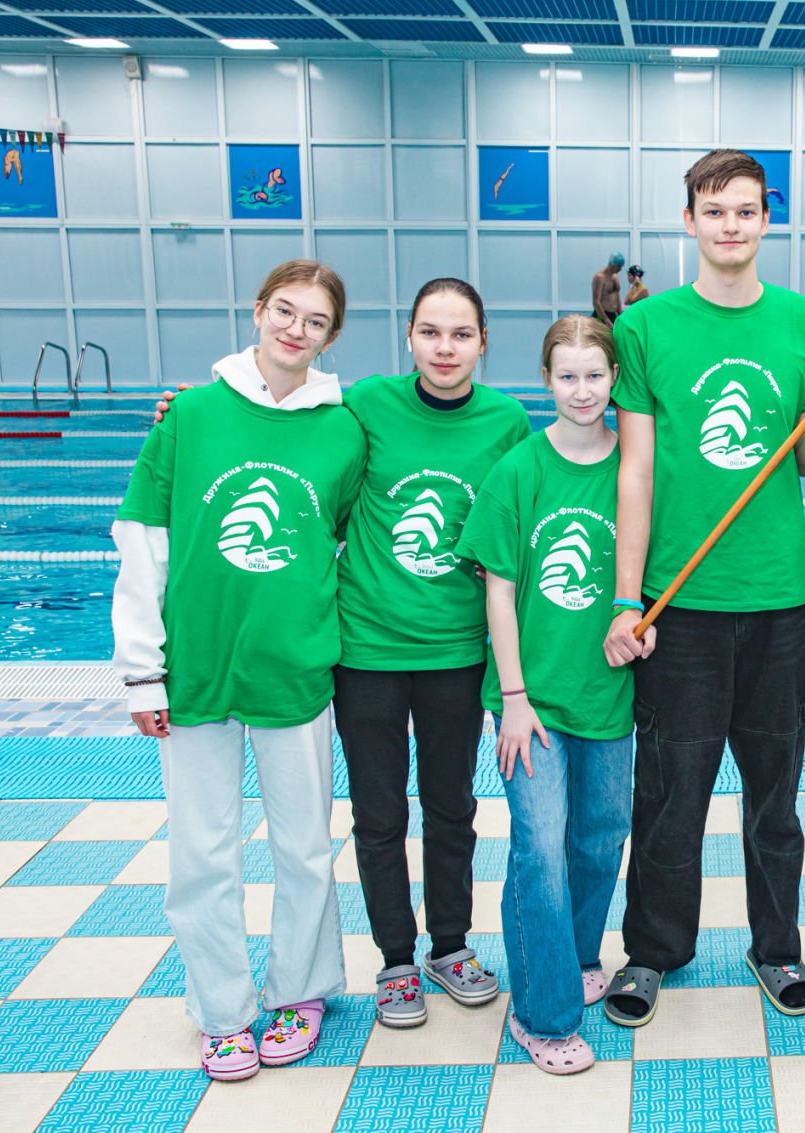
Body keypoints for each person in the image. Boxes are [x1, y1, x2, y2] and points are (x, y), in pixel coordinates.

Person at [601, 148, 805, 1026]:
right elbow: (635, 470)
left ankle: (776, 946)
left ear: (765, 220)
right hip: (682, 603)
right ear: (689, 221)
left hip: (777, 598)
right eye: (714, 211)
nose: (731, 225)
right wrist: (628, 597)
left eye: (746, 210)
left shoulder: (804, 323)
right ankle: (653, 951)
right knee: (670, 792)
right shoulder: (645, 328)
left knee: (774, 796)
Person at [112, 260, 366, 1081]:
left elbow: (345, 540)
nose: (296, 329)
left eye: (315, 321)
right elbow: (143, 540)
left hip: (295, 666)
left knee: (304, 846)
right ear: (258, 311)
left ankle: (300, 989)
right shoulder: (190, 414)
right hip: (198, 667)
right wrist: (141, 670)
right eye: (285, 311)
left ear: (331, 336)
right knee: (202, 851)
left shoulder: (343, 428)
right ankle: (223, 1010)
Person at [455, 315, 647, 1075]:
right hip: (530, 701)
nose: (582, 390)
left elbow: (651, 573)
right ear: (546, 381)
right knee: (540, 849)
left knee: (601, 836)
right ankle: (543, 1013)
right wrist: (513, 696)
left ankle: (575, 955)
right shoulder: (519, 470)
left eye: (595, 375)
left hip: (608, 695)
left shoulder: (634, 467)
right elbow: (498, 594)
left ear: (615, 379)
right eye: (567, 376)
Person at [336, 278, 530, 1024]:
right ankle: (395, 958)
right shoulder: (368, 403)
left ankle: (450, 945)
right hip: (368, 649)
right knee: (379, 814)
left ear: (483, 343)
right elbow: (290, 433)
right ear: (409, 337)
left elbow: (524, 520)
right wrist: (186, 410)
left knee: (451, 807)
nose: (445, 349)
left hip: (456, 650)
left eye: (460, 334)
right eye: (430, 332)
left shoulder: (506, 421)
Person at [591, 252, 624, 325]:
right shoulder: (599, 277)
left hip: (612, 315)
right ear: (612, 264)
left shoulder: (616, 276)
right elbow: (596, 302)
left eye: (621, 266)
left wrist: (621, 316)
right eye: (619, 266)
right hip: (601, 315)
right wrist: (606, 320)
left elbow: (617, 298)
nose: (620, 269)